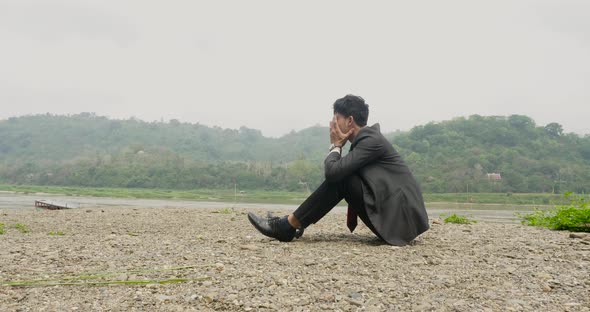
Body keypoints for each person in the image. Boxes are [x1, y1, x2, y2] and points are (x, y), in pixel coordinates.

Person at [248, 95, 429, 246]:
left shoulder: (371, 140)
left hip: (400, 223)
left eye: (336, 119)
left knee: (341, 177)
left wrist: (336, 146)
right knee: (342, 175)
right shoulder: (365, 141)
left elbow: (333, 172)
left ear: (350, 120)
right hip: (396, 219)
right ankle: (293, 223)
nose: (332, 125)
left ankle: (288, 226)